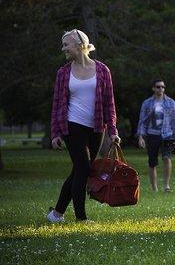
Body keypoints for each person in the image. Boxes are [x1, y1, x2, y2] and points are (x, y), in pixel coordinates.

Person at [47, 29, 121, 222]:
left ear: (80, 45)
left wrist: (112, 130)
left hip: (97, 127)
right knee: (83, 168)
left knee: (80, 170)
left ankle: (56, 214)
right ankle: (81, 218)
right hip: (72, 125)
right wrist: (55, 133)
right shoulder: (63, 73)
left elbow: (109, 103)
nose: (63, 48)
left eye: (66, 44)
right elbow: (57, 104)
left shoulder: (102, 70)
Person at [137, 79, 175, 192]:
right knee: (152, 162)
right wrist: (140, 136)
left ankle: (166, 186)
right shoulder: (147, 103)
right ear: (153, 88)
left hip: (167, 135)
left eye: (163, 87)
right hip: (152, 135)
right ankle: (154, 188)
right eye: (158, 87)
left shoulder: (171, 102)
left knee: (167, 158)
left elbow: (174, 121)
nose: (161, 89)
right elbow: (142, 121)